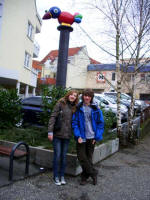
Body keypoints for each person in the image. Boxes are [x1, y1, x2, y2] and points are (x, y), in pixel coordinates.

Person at [72, 89, 104, 185]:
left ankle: (84, 177)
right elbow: (75, 123)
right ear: (83, 96)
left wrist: (96, 137)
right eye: (85, 95)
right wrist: (78, 135)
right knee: (81, 157)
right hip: (81, 137)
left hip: (92, 137)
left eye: (89, 96)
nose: (87, 97)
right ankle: (93, 173)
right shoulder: (78, 107)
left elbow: (100, 123)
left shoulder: (96, 108)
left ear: (91, 98)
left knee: (88, 158)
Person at [48, 90, 79, 186]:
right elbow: (53, 117)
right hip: (57, 134)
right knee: (57, 156)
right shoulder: (60, 103)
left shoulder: (75, 107)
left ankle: (62, 176)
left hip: (67, 136)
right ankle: (56, 176)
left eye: (75, 96)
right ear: (68, 95)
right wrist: (50, 131)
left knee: (64, 157)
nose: (73, 97)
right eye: (71, 95)